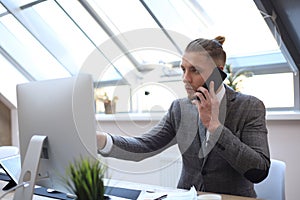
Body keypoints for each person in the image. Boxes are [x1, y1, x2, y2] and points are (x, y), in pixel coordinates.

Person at [96, 36, 270, 197]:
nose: (185, 78)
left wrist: (215, 127)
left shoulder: (249, 107)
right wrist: (101, 140)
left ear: (218, 73)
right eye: (183, 69)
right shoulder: (179, 108)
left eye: (194, 70)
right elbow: (144, 146)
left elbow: (259, 170)